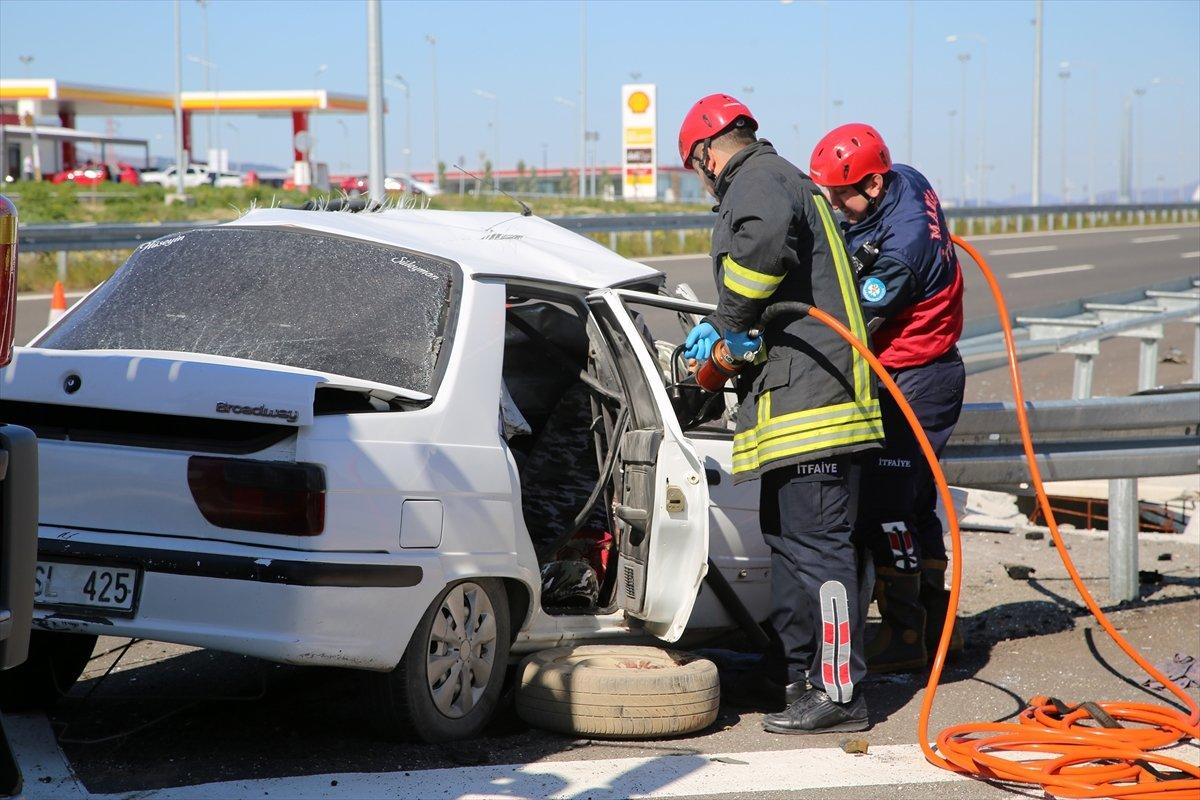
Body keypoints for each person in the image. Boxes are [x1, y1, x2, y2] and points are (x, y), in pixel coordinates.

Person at [678, 94, 884, 734]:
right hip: (800, 404)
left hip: (817, 410)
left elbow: (761, 250)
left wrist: (725, 324)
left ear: (708, 152)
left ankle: (840, 693)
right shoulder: (783, 179)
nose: (703, 181)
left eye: (696, 168)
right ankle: (802, 678)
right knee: (792, 546)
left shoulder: (760, 179)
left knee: (819, 555)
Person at [808, 123, 966, 672]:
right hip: (925, 372)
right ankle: (939, 623)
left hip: (915, 379)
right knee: (917, 504)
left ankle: (903, 633)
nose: (833, 204)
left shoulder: (899, 253)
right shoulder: (906, 177)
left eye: (839, 195)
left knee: (886, 508)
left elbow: (853, 325)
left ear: (872, 185)